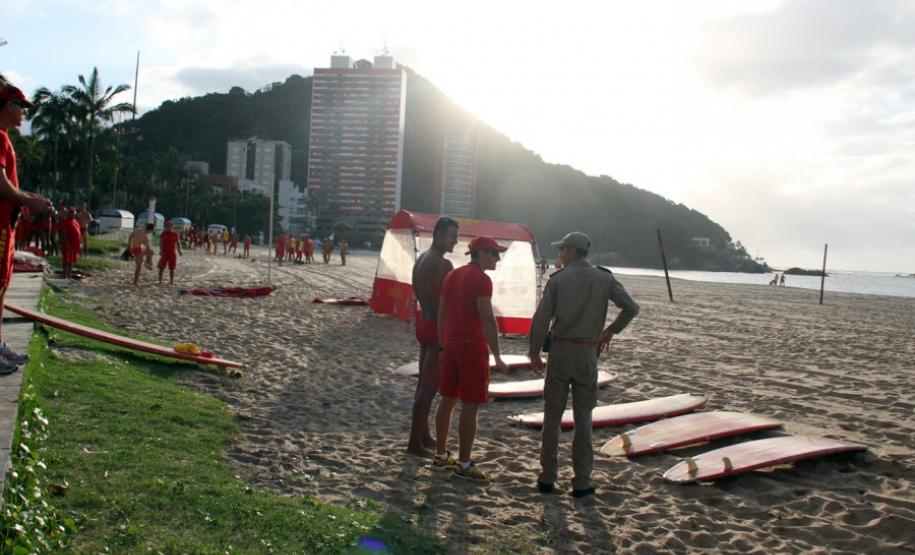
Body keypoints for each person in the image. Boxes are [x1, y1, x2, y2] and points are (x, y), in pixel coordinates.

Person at [528, 232, 639, 498]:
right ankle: (581, 481)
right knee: (583, 420)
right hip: (587, 354)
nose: (559, 254)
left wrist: (533, 352)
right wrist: (611, 330)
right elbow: (631, 308)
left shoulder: (558, 280)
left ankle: (547, 477)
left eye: (561, 250)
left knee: (552, 418)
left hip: (561, 352)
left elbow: (542, 318)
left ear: (569, 251)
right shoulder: (604, 278)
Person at [433, 236, 509, 481]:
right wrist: (497, 356)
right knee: (470, 405)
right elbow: (487, 318)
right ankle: (464, 464)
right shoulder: (482, 279)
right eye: (495, 253)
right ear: (482, 254)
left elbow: (441, 314)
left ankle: (441, 455)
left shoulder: (452, 276)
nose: (498, 258)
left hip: (451, 345)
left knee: (447, 399)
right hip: (471, 346)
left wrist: (442, 346)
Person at [0, 85, 55, 374]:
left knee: (2, 286)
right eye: (21, 107)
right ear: (9, 106)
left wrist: (29, 198)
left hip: (6, 225)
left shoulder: (5, 138)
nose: (23, 113)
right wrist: (28, 200)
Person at [407, 216, 459, 457]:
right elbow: (446, 303)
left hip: (423, 322)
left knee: (422, 387)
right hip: (436, 327)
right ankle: (414, 445)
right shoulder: (442, 264)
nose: (455, 242)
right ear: (438, 234)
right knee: (428, 391)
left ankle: (423, 436)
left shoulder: (422, 258)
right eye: (452, 236)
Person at [157, 220, 183, 285]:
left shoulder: (175, 234)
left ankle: (171, 282)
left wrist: (180, 251)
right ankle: (160, 281)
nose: (169, 227)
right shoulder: (163, 234)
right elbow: (161, 243)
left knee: (172, 268)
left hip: (172, 253)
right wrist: (161, 250)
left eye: (170, 226)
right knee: (161, 267)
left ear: (172, 227)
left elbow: (178, 243)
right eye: (168, 226)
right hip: (165, 253)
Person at [60, 207, 81, 280]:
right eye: (70, 212)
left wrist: (79, 244)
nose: (71, 214)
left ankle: (69, 276)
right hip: (68, 245)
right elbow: (63, 233)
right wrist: (66, 243)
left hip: (74, 245)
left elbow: (78, 233)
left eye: (72, 213)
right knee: (66, 261)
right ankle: (64, 276)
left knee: (72, 261)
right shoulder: (65, 221)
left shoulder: (75, 222)